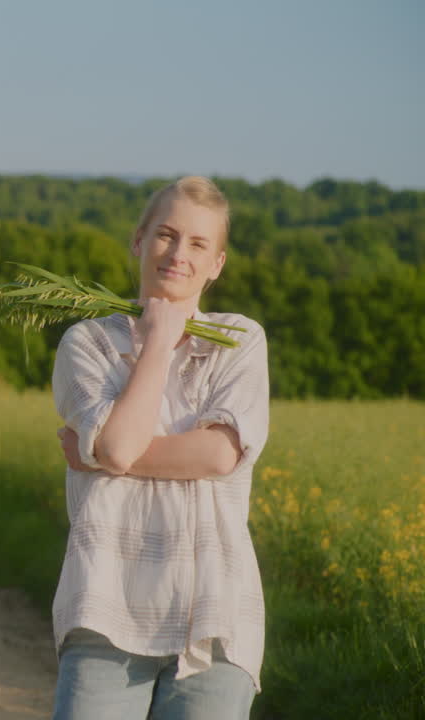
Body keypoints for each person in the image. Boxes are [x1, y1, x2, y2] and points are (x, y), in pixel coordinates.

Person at [49, 176, 269, 719]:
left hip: (215, 618)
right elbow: (121, 448)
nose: (178, 254)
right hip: (107, 605)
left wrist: (96, 454)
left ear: (217, 264)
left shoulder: (239, 340)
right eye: (166, 235)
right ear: (138, 240)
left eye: (198, 243)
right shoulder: (89, 342)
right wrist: (160, 342)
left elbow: (218, 455)